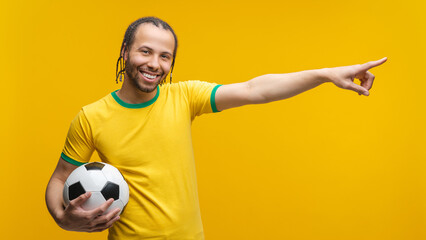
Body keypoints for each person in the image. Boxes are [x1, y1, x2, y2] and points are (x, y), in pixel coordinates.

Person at [45, 16, 387, 240]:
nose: (154, 63)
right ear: (125, 51)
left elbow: (256, 90)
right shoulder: (91, 117)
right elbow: (61, 177)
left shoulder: (184, 97)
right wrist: (64, 218)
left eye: (165, 56)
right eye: (145, 51)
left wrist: (325, 75)